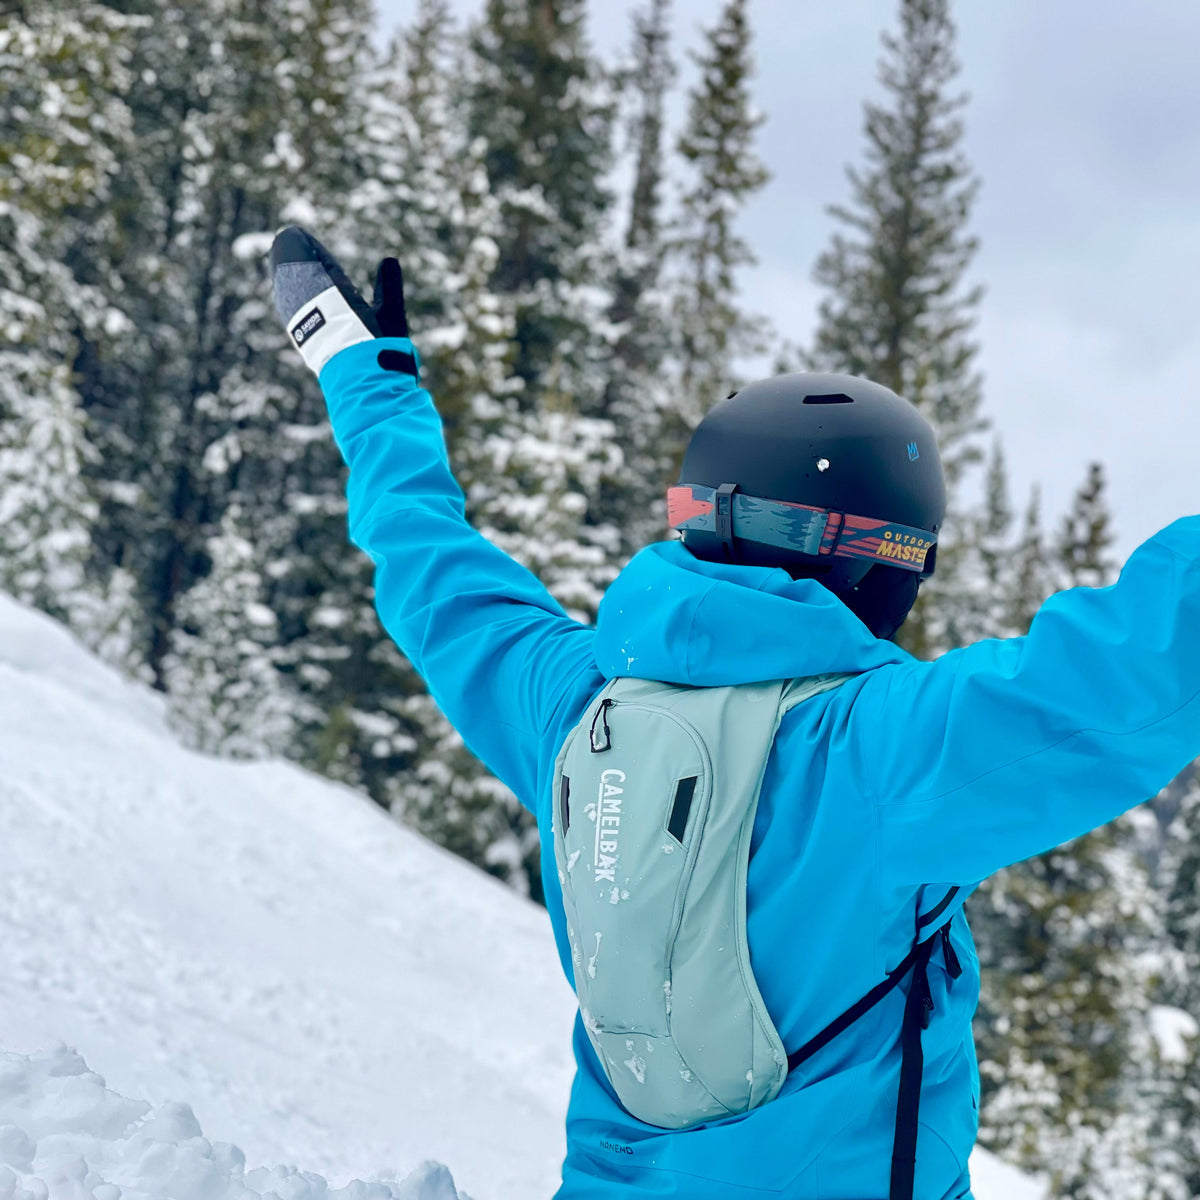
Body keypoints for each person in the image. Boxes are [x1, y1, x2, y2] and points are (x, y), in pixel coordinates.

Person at [270, 226, 1200, 1200]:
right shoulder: (868, 754)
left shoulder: (575, 705)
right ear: (873, 563)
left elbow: (431, 568)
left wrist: (360, 376)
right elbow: (1135, 664)